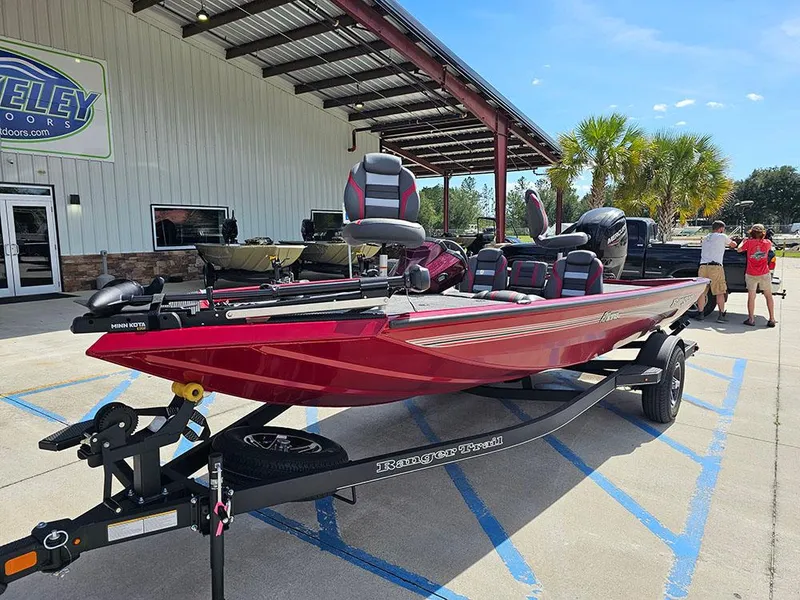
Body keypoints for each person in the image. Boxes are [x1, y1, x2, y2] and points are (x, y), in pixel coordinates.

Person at [696, 220, 737, 322]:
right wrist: (732, 240)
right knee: (719, 291)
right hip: (716, 267)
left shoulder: (706, 237)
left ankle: (700, 313)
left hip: (703, 266)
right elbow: (733, 245)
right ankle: (721, 315)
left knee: (702, 292)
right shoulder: (722, 236)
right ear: (721, 228)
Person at [737, 223, 776, 327]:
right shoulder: (767, 243)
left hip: (751, 273)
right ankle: (772, 318)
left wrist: (743, 241)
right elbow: (769, 249)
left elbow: (739, 249)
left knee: (751, 296)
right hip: (764, 273)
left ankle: (751, 319)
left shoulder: (748, 243)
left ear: (752, 232)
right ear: (763, 233)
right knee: (768, 296)